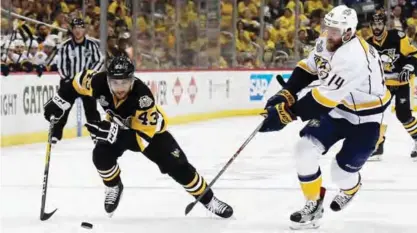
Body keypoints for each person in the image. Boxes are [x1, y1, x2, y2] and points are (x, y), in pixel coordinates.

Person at [43, 56, 233, 218]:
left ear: (132, 79)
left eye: (124, 82)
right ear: (108, 79)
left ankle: (209, 200)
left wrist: (112, 133)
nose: (120, 88)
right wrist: (59, 101)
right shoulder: (97, 82)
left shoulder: (143, 97)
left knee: (178, 167)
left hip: (150, 133)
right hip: (118, 126)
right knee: (100, 155)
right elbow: (75, 83)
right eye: (115, 82)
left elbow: (140, 141)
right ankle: (114, 185)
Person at [259, 5, 390, 229]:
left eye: (335, 31)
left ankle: (351, 187)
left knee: (340, 174)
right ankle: (313, 204)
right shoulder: (327, 40)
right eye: (327, 28)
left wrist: (286, 114)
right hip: (339, 110)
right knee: (304, 149)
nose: (328, 34)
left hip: (368, 119)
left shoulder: (354, 57)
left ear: (349, 32)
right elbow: (309, 68)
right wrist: (288, 92)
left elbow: (322, 99)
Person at [367, 10, 417, 161]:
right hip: (382, 85)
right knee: (377, 114)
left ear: (385, 24)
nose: (377, 27)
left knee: (404, 115)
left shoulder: (397, 36)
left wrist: (409, 68)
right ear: (370, 26)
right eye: (374, 24)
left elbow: (413, 54)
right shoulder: (368, 44)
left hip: (401, 83)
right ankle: (378, 145)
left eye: (379, 23)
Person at [54, 18, 103, 143]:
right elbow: (60, 64)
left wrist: (90, 75)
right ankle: (55, 135)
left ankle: (96, 134)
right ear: (72, 29)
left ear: (84, 29)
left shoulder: (92, 45)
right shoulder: (65, 46)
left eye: (80, 28)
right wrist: (66, 79)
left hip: (86, 83)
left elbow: (99, 60)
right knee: (63, 109)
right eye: (75, 28)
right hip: (70, 83)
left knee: (91, 110)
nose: (78, 31)